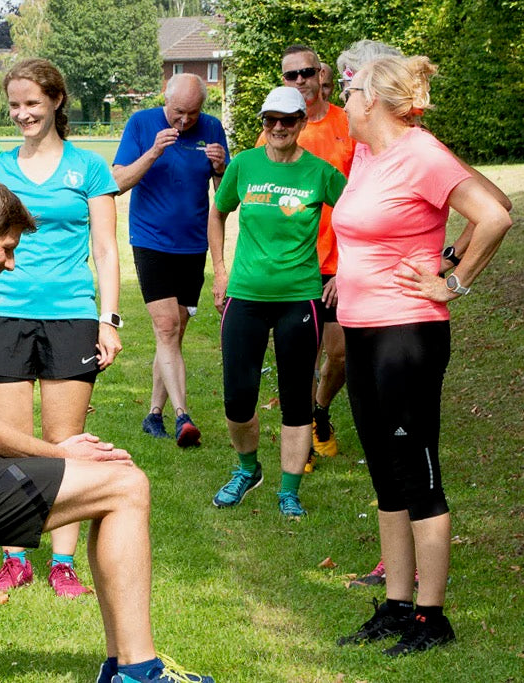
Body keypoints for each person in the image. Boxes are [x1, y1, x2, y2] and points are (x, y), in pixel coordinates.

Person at [0, 178, 214, 683]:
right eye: (7, 248)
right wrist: (61, 455)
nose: (10, 263)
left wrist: (58, 456)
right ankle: (138, 671)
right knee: (127, 486)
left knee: (116, 487)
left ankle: (123, 666)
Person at [332, 55, 511, 656]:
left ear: (376, 104)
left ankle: (433, 617)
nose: (344, 101)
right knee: (384, 473)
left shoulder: (422, 153)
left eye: (352, 92)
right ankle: (398, 604)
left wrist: (452, 278)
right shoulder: (369, 154)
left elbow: (494, 213)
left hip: (407, 335)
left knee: (418, 473)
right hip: (360, 332)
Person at [0, 58, 122, 598]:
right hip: (6, 312)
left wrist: (108, 318)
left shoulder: (89, 169)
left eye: (32, 104)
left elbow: (106, 250)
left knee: (65, 443)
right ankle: (15, 557)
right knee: (9, 444)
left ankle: (63, 564)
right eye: (14, 105)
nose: (22, 114)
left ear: (57, 101)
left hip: (72, 314)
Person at [207, 86, 346, 518]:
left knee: (295, 398)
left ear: (303, 123)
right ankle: (247, 469)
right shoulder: (244, 166)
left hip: (299, 298)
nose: (279, 128)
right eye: (271, 120)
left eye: (288, 120)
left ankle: (290, 489)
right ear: (263, 124)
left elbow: (360, 219)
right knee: (238, 397)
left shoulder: (320, 173)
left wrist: (344, 271)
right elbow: (218, 212)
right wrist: (220, 269)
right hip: (244, 295)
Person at [112, 73, 228, 447]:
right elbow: (117, 182)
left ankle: (153, 414)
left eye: (192, 114)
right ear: (166, 100)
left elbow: (225, 200)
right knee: (165, 328)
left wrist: (222, 169)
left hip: (193, 246)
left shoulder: (211, 127)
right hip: (151, 240)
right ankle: (183, 416)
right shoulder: (142, 124)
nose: (184, 121)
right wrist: (153, 152)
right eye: (179, 112)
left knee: (174, 333)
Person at [258, 45, 356, 472]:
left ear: (320, 74)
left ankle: (319, 410)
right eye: (290, 75)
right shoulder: (275, 131)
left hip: (339, 259)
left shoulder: (348, 124)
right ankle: (300, 436)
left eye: (305, 73)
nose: (299, 81)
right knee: (299, 355)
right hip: (293, 266)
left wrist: (353, 262)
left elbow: (361, 197)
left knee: (340, 352)